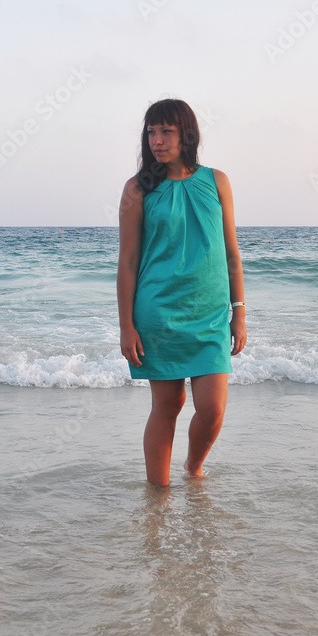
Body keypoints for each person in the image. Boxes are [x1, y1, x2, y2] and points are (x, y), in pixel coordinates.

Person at [117, 98, 247, 487]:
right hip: (158, 312)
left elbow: (232, 254)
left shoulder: (217, 181)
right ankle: (158, 494)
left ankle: (193, 467)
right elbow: (127, 263)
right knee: (168, 405)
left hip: (209, 314)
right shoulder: (138, 189)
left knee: (213, 408)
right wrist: (126, 325)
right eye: (151, 132)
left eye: (166, 131)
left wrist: (238, 312)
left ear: (185, 134)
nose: (157, 140)